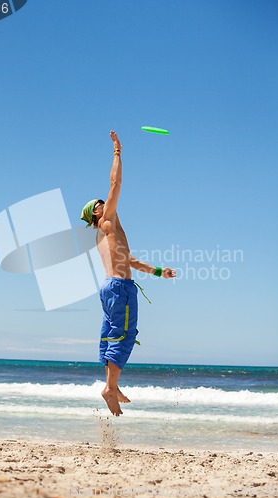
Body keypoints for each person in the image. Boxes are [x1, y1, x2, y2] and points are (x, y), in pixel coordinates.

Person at [81, 131, 176, 416]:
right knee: (125, 333)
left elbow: (129, 261)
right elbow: (115, 182)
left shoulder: (107, 233)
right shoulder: (106, 221)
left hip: (115, 286)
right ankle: (110, 387)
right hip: (119, 288)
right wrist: (117, 152)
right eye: (100, 204)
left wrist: (159, 272)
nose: (105, 202)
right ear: (96, 214)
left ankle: (112, 384)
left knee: (114, 334)